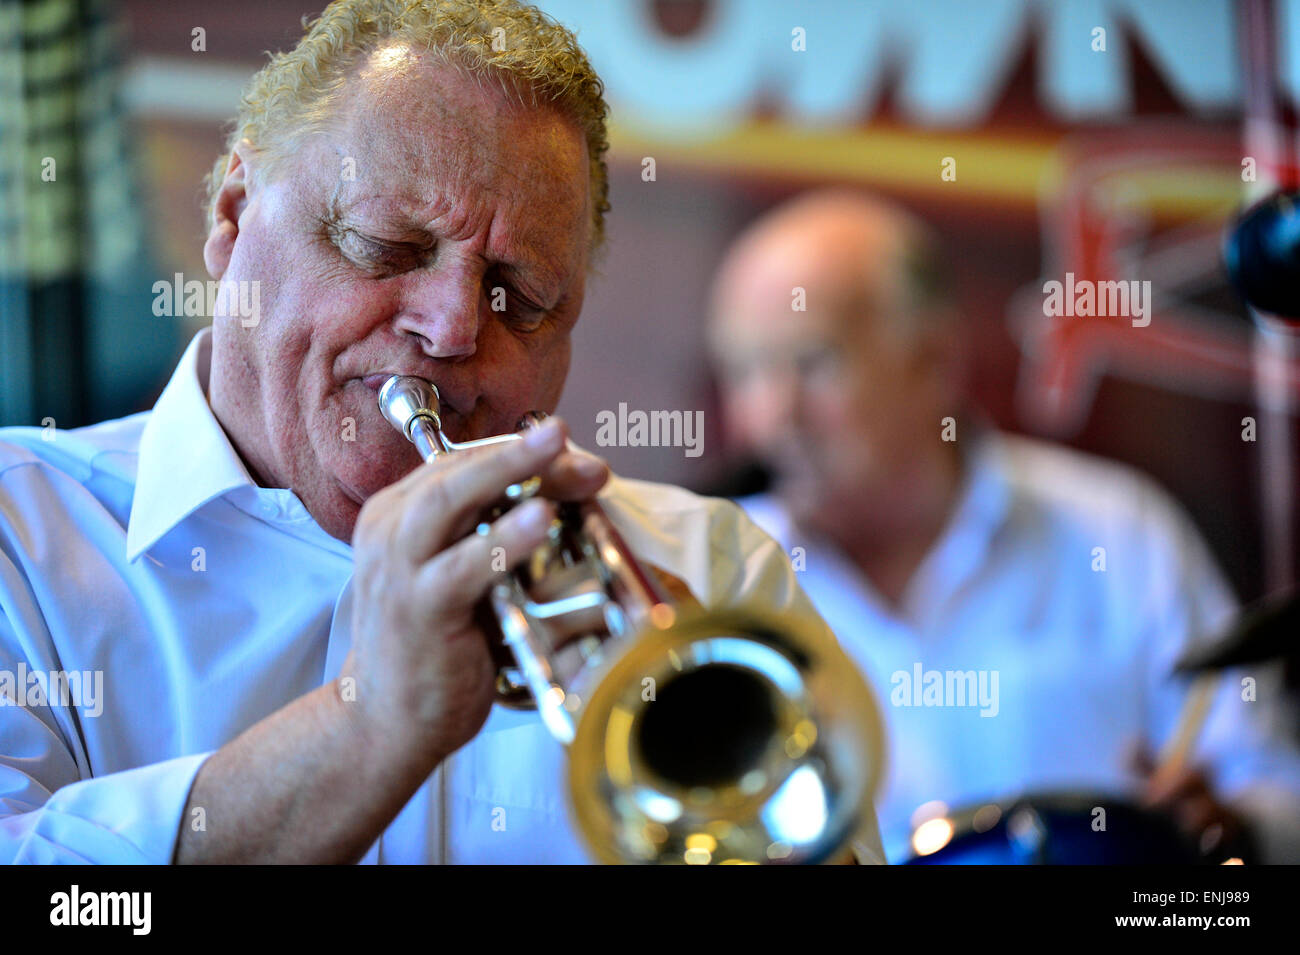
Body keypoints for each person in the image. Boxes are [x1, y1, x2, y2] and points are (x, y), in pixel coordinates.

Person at [0, 0, 883, 865]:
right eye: (386, 245)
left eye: (523, 297)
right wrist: (368, 724)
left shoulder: (711, 571)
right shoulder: (23, 535)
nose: (456, 327)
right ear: (232, 217)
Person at [706, 188, 1300, 864]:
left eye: (812, 362)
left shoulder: (1115, 529)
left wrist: (1229, 830)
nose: (772, 413)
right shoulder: (713, 574)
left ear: (935, 357)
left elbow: (1271, 784)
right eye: (744, 370)